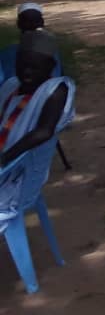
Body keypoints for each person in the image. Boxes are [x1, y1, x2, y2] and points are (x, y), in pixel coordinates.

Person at [0, 31, 75, 227]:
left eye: (34, 67)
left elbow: (44, 131)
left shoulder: (57, 89)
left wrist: (5, 158)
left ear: (50, 66)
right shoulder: (11, 86)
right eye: (22, 65)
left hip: (16, 175)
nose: (27, 72)